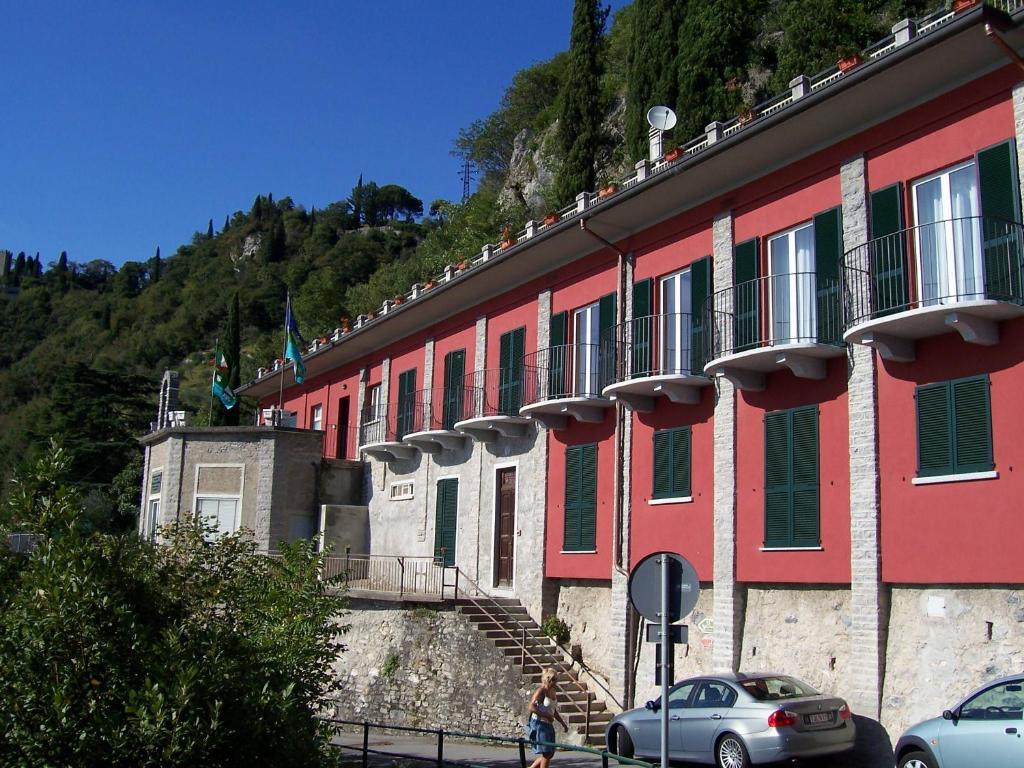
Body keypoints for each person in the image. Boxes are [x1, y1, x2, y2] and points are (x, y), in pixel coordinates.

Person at [526, 668, 568, 768]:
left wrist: (562, 723)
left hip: (548, 724)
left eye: (556, 680)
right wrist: (546, 715)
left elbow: (553, 710)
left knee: (550, 753)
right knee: (546, 753)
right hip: (539, 724)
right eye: (553, 680)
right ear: (547, 680)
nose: (555, 682)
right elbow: (531, 706)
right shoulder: (541, 691)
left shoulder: (553, 691)